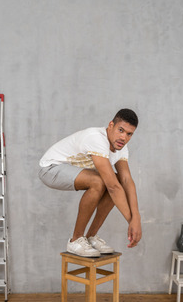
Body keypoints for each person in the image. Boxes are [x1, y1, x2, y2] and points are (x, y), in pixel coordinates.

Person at [39, 108, 142, 257]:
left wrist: (136, 217)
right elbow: (113, 187)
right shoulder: (96, 138)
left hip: (71, 170)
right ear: (111, 125)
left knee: (116, 179)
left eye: (129, 134)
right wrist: (131, 222)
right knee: (100, 182)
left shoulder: (121, 147)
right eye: (120, 130)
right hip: (50, 169)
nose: (123, 137)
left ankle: (90, 237)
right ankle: (75, 240)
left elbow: (126, 180)